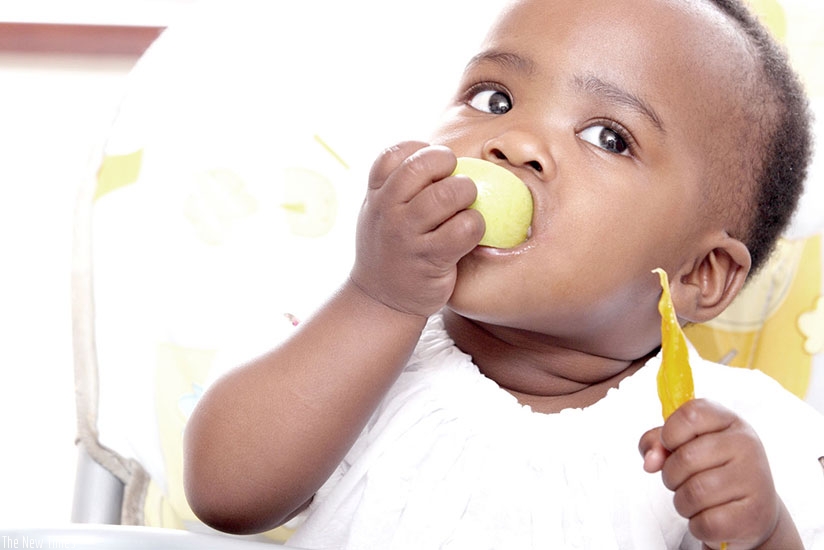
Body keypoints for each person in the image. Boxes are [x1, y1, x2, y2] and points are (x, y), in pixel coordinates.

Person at [183, 0, 824, 547]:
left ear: (700, 274)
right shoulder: (349, 346)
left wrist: (763, 533)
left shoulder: (731, 438)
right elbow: (226, 495)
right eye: (494, 99)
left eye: (608, 137)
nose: (514, 142)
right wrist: (380, 299)